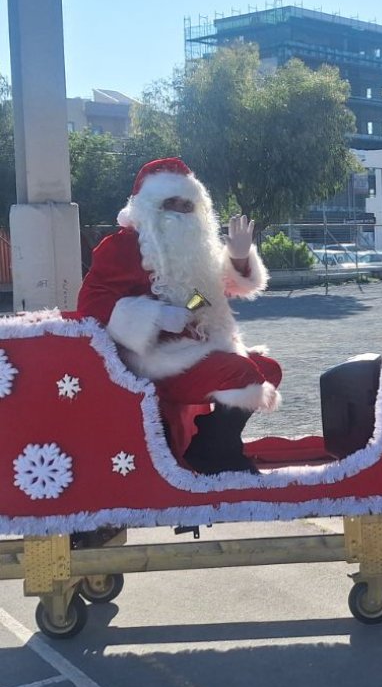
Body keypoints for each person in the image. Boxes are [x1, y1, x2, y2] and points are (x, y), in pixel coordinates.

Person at [76, 157, 281, 474]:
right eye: (170, 203)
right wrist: (156, 316)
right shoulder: (122, 246)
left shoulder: (198, 250)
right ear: (148, 206)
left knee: (268, 370)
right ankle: (215, 453)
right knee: (242, 373)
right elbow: (91, 303)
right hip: (155, 358)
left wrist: (239, 259)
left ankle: (212, 442)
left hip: (200, 348)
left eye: (187, 205)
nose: (180, 213)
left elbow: (209, 294)